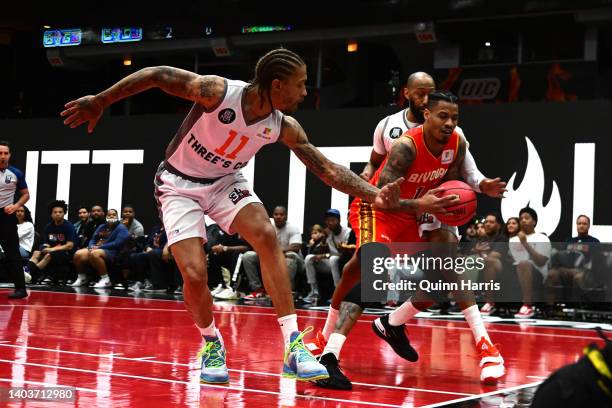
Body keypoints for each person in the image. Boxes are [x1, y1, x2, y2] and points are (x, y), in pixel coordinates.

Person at [61, 47, 405, 384]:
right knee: (195, 275)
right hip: (179, 185)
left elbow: (328, 170)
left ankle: (293, 346)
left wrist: (377, 195)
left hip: (226, 182)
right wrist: (101, 100)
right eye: (300, 84)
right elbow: (157, 75)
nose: (305, 91)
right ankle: (212, 344)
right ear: (276, 85)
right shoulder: (218, 92)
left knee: (266, 234)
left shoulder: (282, 125)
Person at [314, 92, 505, 389]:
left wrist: (481, 187)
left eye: (454, 118)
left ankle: (396, 324)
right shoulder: (406, 147)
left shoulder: (457, 142)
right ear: (427, 114)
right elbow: (380, 198)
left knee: (444, 271)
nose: (449, 123)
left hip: (416, 210)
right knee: (371, 267)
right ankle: (328, 355)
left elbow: (461, 179)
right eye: (443, 116)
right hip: (377, 209)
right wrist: (420, 206)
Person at [0, 141, 30, 299]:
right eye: (0, 153)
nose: (3, 156)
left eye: (6, 153)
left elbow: (26, 194)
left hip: (6, 216)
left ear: (9, 155)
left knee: (13, 253)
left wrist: (16, 205)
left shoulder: (16, 173)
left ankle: (21, 289)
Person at [509, 207, 551, 318]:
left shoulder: (542, 238)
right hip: (517, 272)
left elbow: (541, 261)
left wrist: (525, 244)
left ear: (534, 221)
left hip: (537, 273)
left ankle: (527, 305)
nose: (523, 220)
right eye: (521, 218)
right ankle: (489, 303)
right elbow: (514, 260)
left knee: (524, 263)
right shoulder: (513, 240)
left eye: (526, 218)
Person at [28, 200, 75, 285]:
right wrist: (44, 248)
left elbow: (69, 246)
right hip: (52, 250)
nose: (58, 214)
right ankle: (28, 271)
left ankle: (32, 274)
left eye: (60, 212)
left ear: (64, 213)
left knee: (49, 255)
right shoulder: (48, 227)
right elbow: (47, 243)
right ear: (51, 214)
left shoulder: (69, 226)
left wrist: (51, 249)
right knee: (36, 252)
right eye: (55, 212)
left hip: (66, 252)